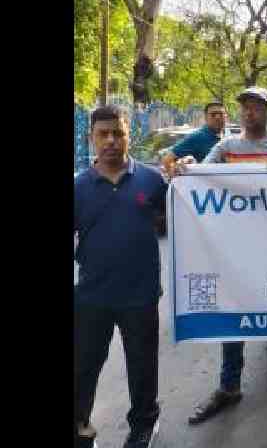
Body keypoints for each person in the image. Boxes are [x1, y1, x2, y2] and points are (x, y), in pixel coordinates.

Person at [184, 87, 267, 426]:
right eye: (244, 107)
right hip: (236, 249)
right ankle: (229, 383)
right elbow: (200, 179)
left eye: (256, 107)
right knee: (233, 309)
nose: (249, 112)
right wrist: (187, 166)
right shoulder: (226, 148)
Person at [74, 105, 167, 448]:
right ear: (92, 138)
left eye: (118, 133)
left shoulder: (152, 180)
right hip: (91, 297)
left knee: (143, 366)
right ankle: (80, 427)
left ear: (129, 136)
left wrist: (185, 178)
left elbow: (181, 219)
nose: (111, 140)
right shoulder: (79, 187)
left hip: (140, 296)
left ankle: (144, 425)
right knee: (82, 368)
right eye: (103, 134)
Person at [161, 102, 228, 172]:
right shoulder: (197, 137)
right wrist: (177, 178)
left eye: (221, 114)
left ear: (226, 116)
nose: (217, 117)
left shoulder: (229, 137)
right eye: (213, 114)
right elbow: (167, 160)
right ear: (206, 117)